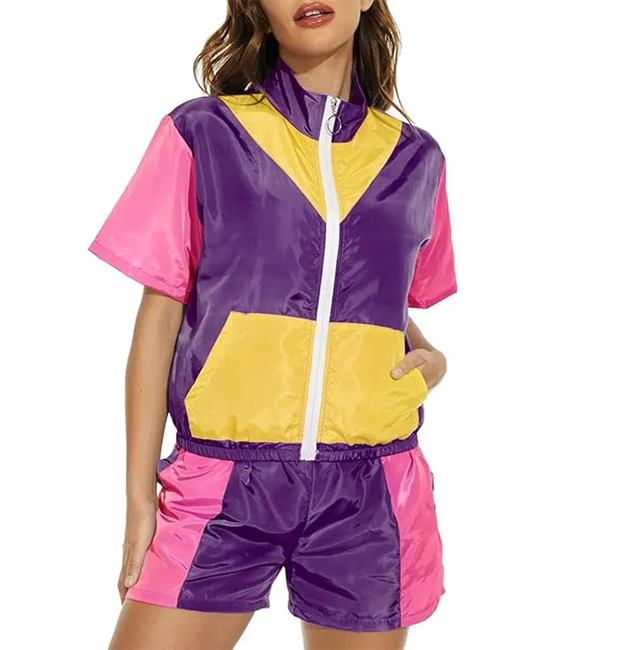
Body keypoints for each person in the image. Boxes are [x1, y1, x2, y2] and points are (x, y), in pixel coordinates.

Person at [88, 1, 457, 648]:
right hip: (223, 480)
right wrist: (139, 500)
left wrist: (432, 357)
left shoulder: (414, 158)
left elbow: (375, 301)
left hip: (371, 488)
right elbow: (160, 317)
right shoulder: (205, 133)